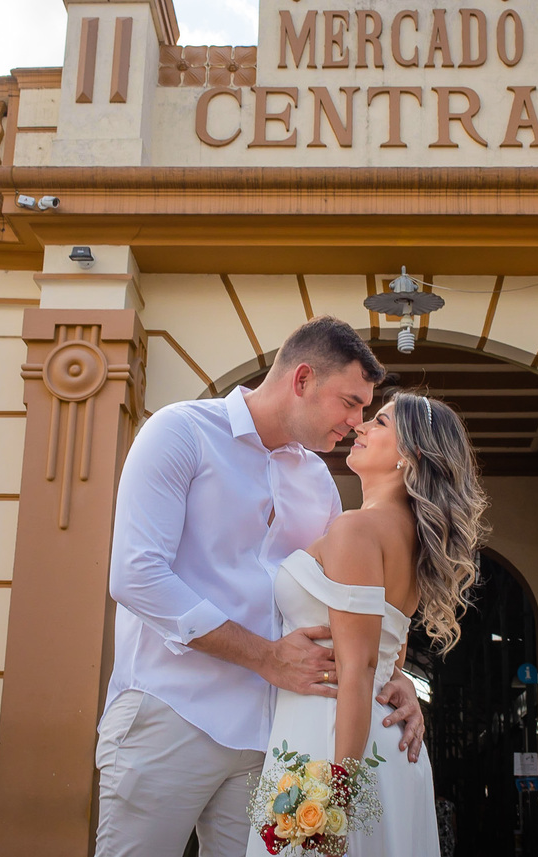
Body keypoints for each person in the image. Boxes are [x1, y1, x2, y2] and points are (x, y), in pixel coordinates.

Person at [96, 317, 427, 857]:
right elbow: (136, 575)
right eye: (349, 402)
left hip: (275, 738)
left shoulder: (318, 480)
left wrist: (394, 676)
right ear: (301, 380)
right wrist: (265, 658)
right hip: (169, 712)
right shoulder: (179, 432)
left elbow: (344, 601)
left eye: (366, 410)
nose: (356, 421)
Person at [245, 392, 489, 857]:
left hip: (334, 739)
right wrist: (400, 682)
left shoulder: (358, 529)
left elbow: (358, 668)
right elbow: (388, 657)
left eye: (378, 422)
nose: (360, 427)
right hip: (372, 740)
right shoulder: (408, 539)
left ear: (409, 455)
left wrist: (337, 800)